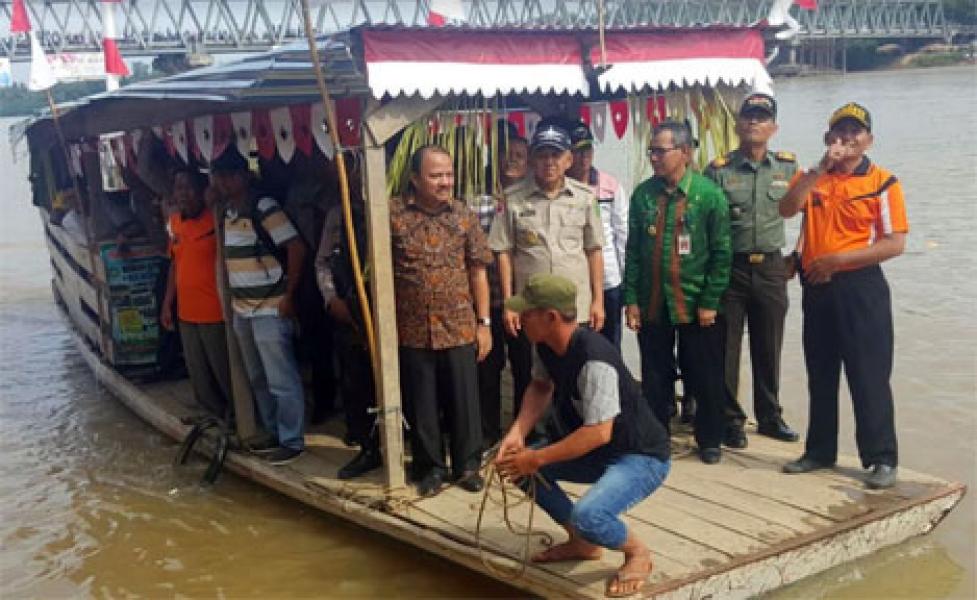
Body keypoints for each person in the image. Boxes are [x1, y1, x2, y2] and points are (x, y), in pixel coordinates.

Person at [495, 273, 670, 599]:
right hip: (598, 449)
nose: (520, 318)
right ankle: (583, 542)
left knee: (589, 514)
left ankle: (637, 553)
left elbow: (598, 433)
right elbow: (540, 386)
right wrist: (517, 433)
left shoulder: (594, 359)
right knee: (514, 466)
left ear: (550, 317)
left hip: (639, 455)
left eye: (527, 312)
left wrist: (537, 457)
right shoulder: (545, 345)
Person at [778, 103, 907, 489]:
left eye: (855, 132)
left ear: (868, 140)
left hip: (860, 286)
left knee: (869, 375)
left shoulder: (883, 182)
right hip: (817, 285)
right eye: (838, 131)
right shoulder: (812, 177)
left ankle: (881, 458)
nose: (846, 139)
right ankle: (819, 450)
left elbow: (895, 243)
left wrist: (840, 260)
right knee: (820, 371)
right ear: (826, 138)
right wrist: (819, 168)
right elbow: (787, 209)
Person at [623, 120, 731, 464]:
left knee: (704, 372)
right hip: (654, 302)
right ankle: (657, 438)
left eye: (660, 150)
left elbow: (722, 253)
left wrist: (711, 301)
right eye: (651, 150)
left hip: (696, 301)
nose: (654, 157)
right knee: (655, 374)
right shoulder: (643, 194)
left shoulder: (708, 194)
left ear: (684, 153)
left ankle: (710, 437)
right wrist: (631, 301)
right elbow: (633, 251)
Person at [391, 145, 493, 496]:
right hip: (412, 326)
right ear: (415, 178)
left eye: (448, 174)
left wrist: (484, 323)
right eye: (435, 175)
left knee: (465, 401)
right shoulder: (393, 216)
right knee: (422, 403)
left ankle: (467, 466)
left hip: (459, 324)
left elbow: (478, 271)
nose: (444, 181)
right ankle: (429, 467)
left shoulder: (464, 216)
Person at [489, 123, 605, 423]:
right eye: (542, 155)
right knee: (527, 373)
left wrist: (598, 301)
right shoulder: (512, 200)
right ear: (531, 159)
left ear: (568, 159)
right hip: (530, 309)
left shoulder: (584, 198)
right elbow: (503, 252)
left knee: (577, 373)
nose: (549, 162)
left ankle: (576, 434)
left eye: (556, 155)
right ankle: (528, 437)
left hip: (573, 309)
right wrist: (510, 302)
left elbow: (594, 250)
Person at [704, 93, 800, 448]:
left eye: (762, 117)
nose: (754, 122)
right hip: (731, 267)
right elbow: (706, 224)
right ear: (737, 124)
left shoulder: (788, 168)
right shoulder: (719, 170)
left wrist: (799, 254)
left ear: (773, 127)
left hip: (773, 266)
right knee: (727, 347)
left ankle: (771, 417)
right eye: (749, 116)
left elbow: (812, 210)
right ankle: (731, 420)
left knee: (769, 345)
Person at [212, 149, 308, 466]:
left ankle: (292, 440)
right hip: (243, 308)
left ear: (243, 176)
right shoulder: (226, 211)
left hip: (269, 305)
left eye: (228, 176)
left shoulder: (263, 207)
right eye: (219, 176)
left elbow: (295, 247)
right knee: (257, 376)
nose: (222, 182)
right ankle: (273, 431)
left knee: (281, 379)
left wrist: (289, 295)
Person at [314, 151, 381, 480]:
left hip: (390, 307)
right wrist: (332, 298)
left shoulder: (391, 208)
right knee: (355, 376)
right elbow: (323, 260)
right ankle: (366, 441)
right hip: (350, 303)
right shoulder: (338, 216)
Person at [160, 168, 232, 419]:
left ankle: (235, 417)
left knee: (223, 369)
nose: (183, 194)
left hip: (214, 310)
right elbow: (174, 263)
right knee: (197, 370)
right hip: (186, 311)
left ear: (203, 192)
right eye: (179, 188)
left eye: (189, 188)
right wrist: (167, 302)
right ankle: (210, 414)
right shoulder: (175, 223)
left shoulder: (216, 219)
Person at [474, 125, 530, 448]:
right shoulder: (477, 201)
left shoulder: (530, 202)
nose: (513, 161)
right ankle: (486, 431)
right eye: (507, 154)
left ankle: (523, 430)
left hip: (524, 301)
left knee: (525, 367)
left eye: (520, 156)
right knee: (488, 367)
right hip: (488, 300)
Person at [566, 121, 629, 349]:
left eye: (587, 150)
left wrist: (626, 282)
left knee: (610, 346)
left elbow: (622, 235)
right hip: (575, 279)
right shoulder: (560, 187)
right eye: (577, 151)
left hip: (609, 278)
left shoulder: (610, 185)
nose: (583, 157)